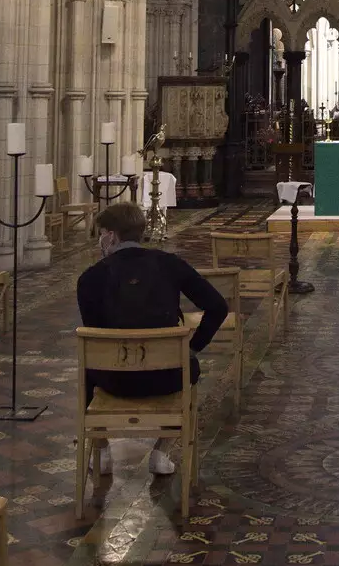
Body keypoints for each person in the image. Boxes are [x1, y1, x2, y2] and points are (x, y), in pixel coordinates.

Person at [77, 202, 227, 478]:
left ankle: (101, 451)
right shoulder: (170, 264)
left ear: (111, 236)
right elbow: (218, 307)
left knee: (88, 360)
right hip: (167, 376)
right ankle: (162, 451)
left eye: (102, 233)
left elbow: (95, 334)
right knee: (190, 367)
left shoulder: (90, 278)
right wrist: (192, 348)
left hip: (113, 379)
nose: (100, 240)